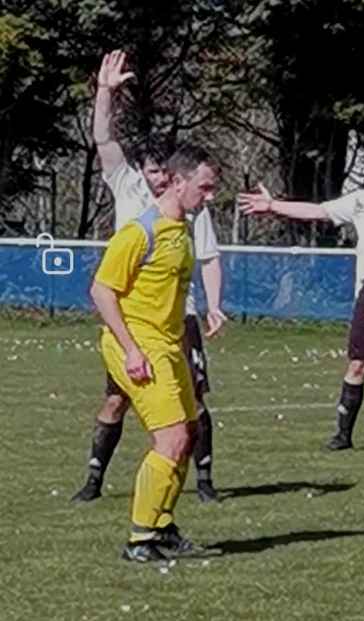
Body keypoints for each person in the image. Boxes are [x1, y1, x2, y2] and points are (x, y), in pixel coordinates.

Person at [72, 50, 226, 504]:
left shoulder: (192, 207)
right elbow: (103, 138)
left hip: (181, 317)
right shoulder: (128, 191)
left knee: (193, 406)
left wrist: (214, 304)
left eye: (164, 169)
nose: (159, 177)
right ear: (144, 171)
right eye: (153, 169)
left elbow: (210, 258)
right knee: (117, 400)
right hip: (134, 320)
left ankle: (203, 485)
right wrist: (105, 93)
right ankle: (96, 482)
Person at [237, 150, 364, 451]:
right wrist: (273, 205)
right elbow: (317, 211)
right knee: (358, 364)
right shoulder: (361, 202)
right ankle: (343, 436)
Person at [91, 142, 221, 562]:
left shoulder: (183, 230)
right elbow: (101, 290)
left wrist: (192, 335)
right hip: (136, 345)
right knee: (171, 438)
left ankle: (162, 527)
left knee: (190, 432)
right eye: (204, 187)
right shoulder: (139, 231)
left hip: (169, 346)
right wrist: (131, 349)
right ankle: (139, 539)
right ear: (178, 181)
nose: (210, 196)